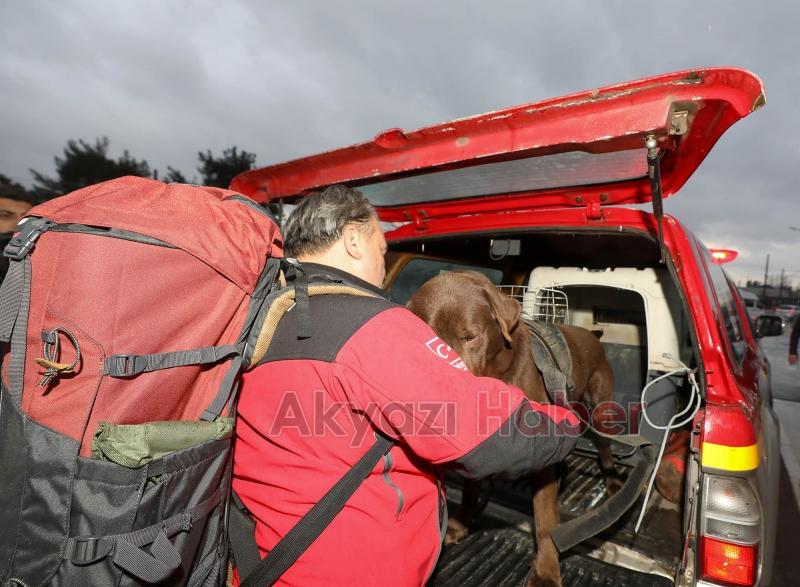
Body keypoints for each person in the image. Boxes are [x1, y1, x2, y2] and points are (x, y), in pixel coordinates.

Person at [232, 185, 580, 586]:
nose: (385, 263)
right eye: (383, 250)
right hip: (352, 570)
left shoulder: (265, 315)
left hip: (260, 557)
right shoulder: (374, 328)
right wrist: (568, 422)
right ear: (353, 241)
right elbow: (493, 439)